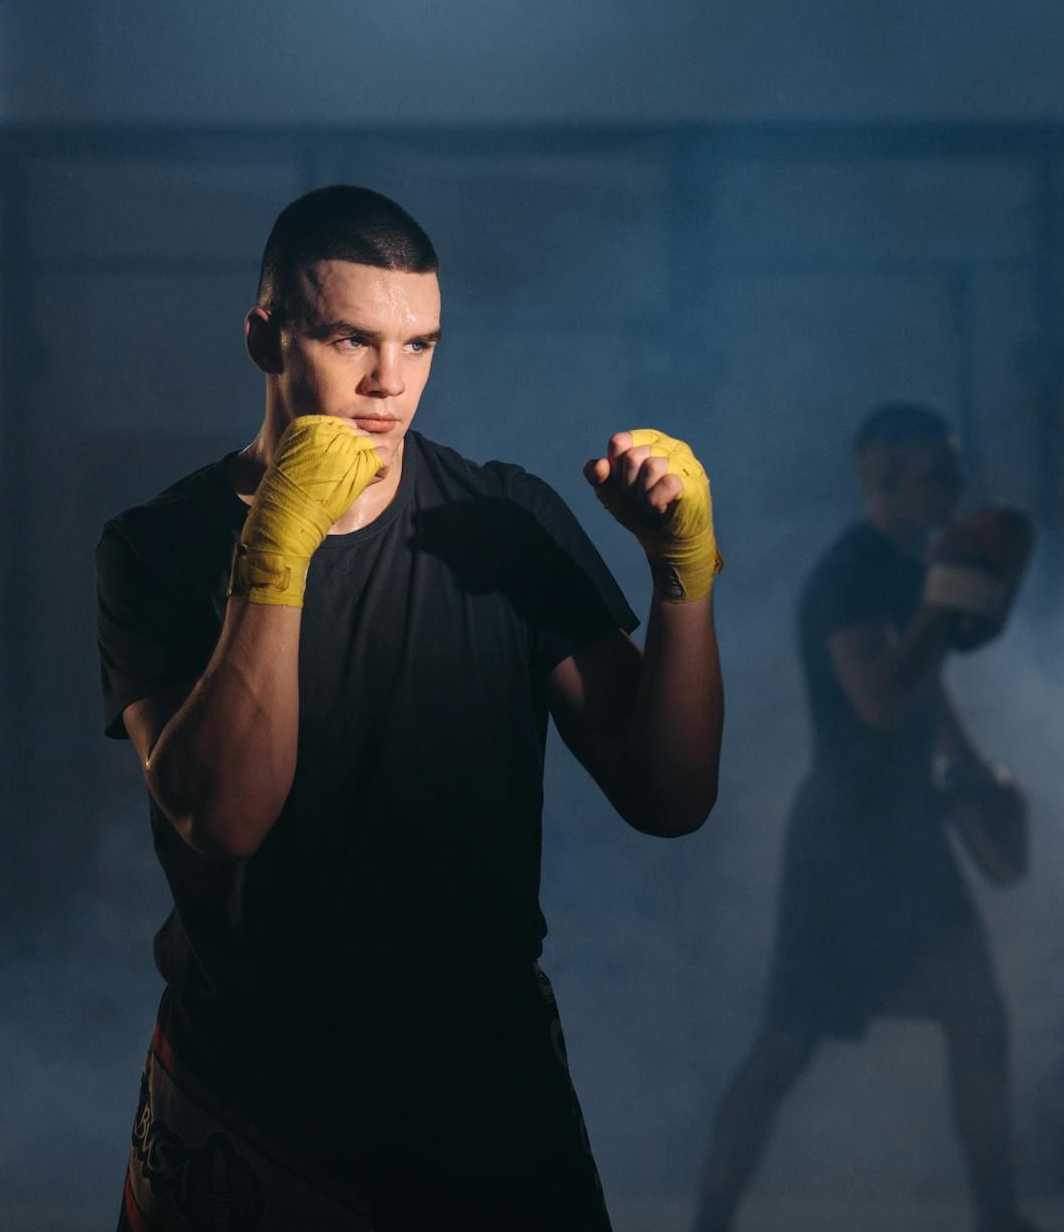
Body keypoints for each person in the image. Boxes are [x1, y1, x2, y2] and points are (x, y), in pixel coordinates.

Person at [95, 184, 724, 1230]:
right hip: (256, 1079)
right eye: (351, 339)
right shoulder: (156, 547)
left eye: (420, 344)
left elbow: (670, 796)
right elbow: (225, 816)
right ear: (266, 335)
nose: (390, 383)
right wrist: (277, 552)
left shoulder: (504, 520)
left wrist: (684, 580)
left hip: (481, 1074)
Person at [692, 404, 1040, 1232]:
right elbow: (880, 699)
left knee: (978, 1021)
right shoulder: (848, 575)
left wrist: (967, 760)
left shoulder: (911, 563)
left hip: (907, 826)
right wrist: (944, 604)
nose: (954, 490)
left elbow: (929, 688)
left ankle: (1000, 1219)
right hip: (845, 838)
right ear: (883, 473)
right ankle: (707, 1227)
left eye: (955, 473)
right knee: (787, 1045)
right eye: (939, 473)